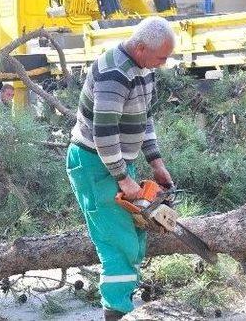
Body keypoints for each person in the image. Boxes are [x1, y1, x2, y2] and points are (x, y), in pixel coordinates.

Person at [66, 16, 175, 320]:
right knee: (117, 242)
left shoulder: (144, 69)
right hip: (92, 163)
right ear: (141, 47)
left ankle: (124, 304)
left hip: (116, 161)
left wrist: (157, 163)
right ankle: (117, 313)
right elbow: (104, 133)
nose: (163, 64)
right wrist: (123, 178)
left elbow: (145, 118)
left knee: (136, 236)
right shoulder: (114, 73)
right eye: (161, 57)